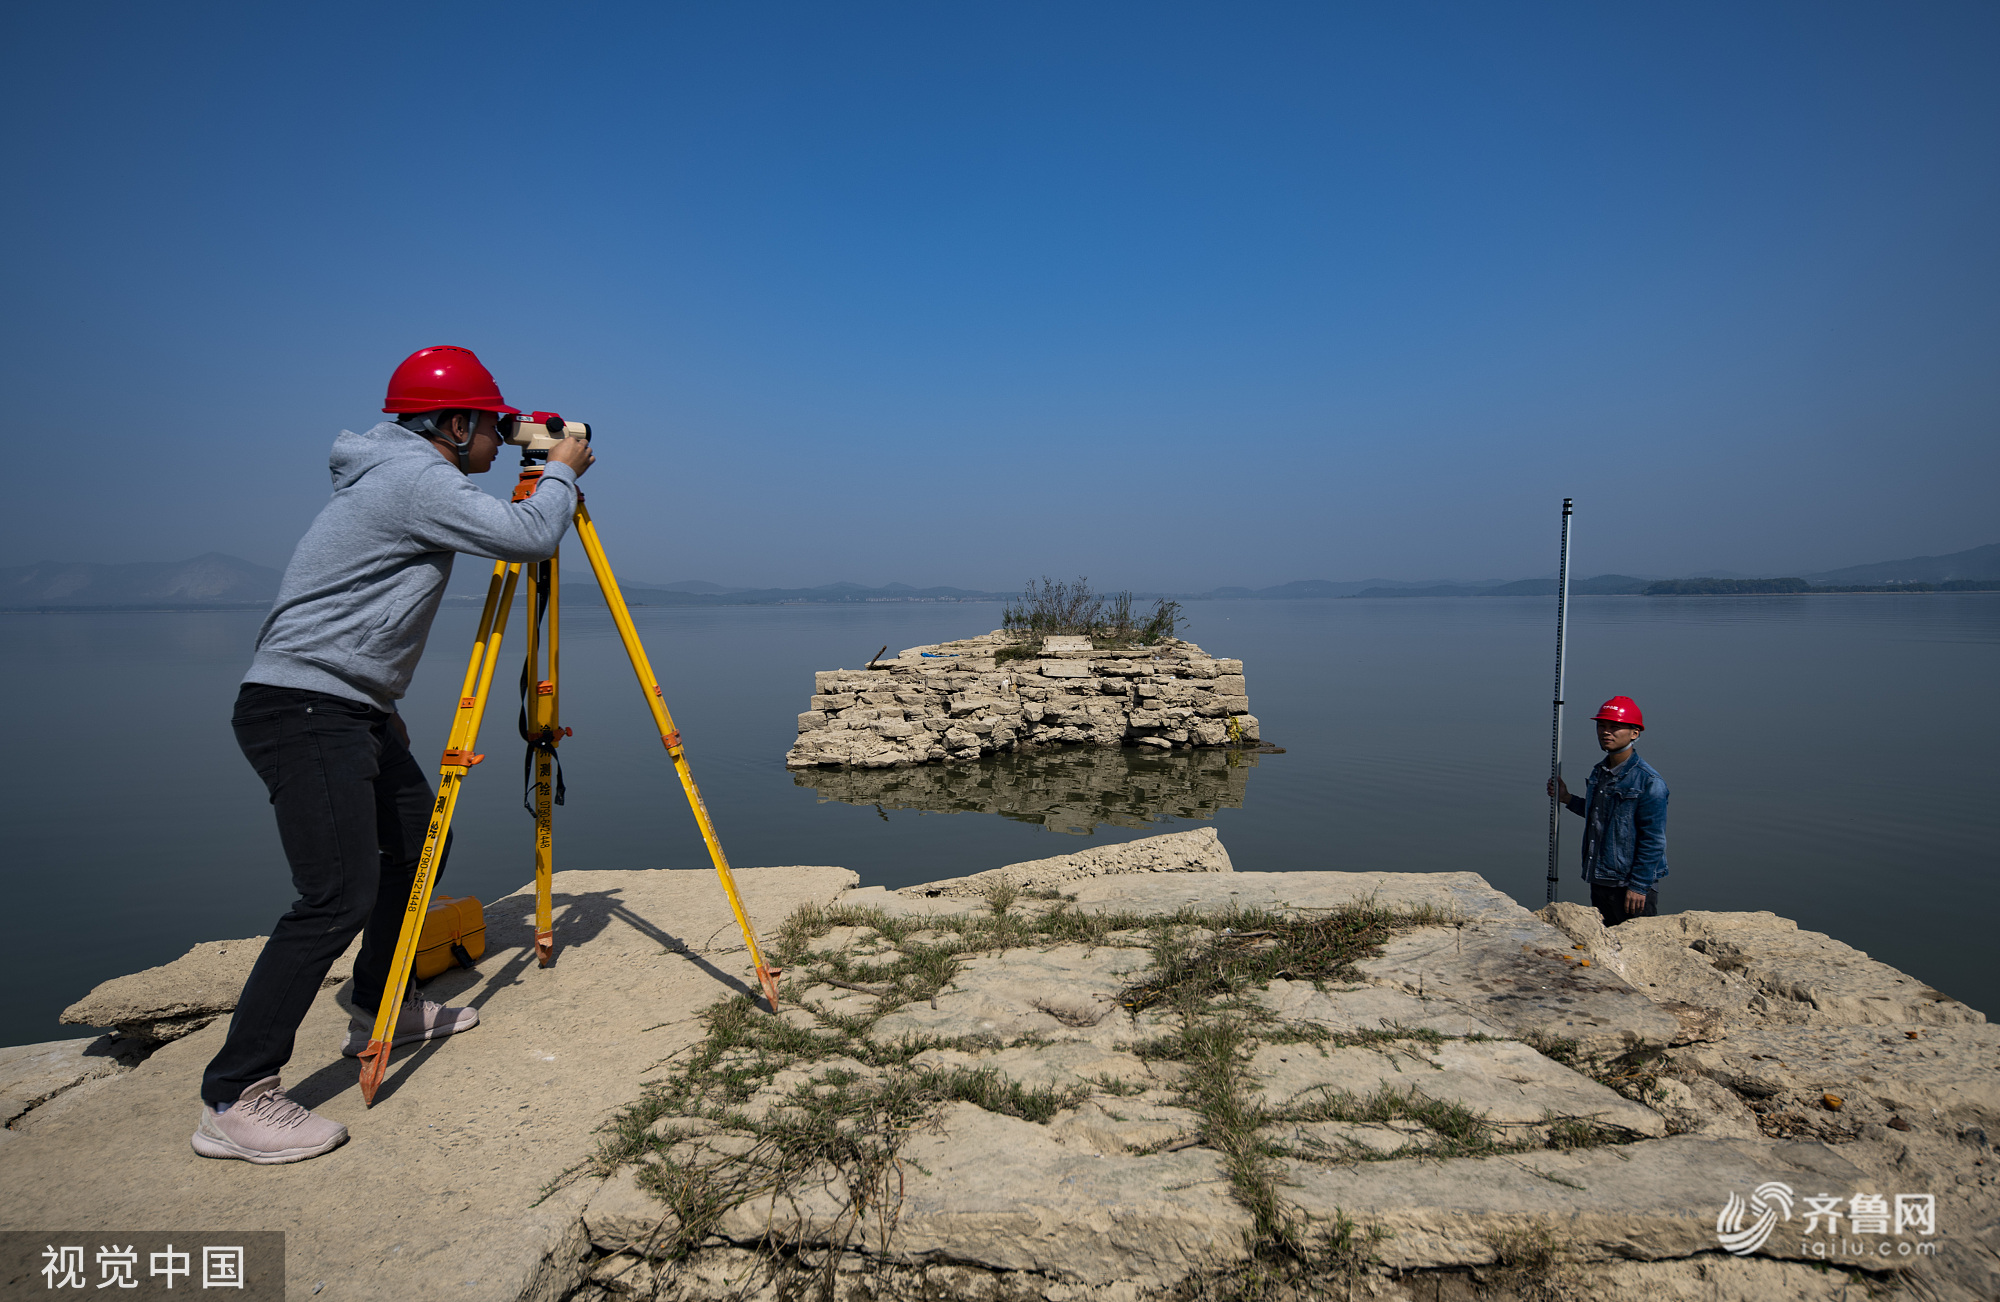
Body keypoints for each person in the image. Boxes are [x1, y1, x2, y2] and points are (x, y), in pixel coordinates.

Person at [191, 346, 595, 1164]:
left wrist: (379, 710)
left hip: (351, 705)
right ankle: (235, 1097)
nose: (499, 438)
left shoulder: (403, 471)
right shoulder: (416, 479)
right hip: (304, 708)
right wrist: (560, 468)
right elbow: (528, 536)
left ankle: (381, 1004)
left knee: (416, 839)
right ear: (452, 425)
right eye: (490, 423)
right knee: (334, 896)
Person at [1549, 696, 1669, 929]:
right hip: (1602, 879)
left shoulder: (1649, 782)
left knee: (1634, 951)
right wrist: (1566, 798)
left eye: (1615, 727)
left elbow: (1653, 840)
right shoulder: (1601, 771)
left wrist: (1639, 886)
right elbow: (1602, 815)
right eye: (1602, 726)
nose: (1606, 732)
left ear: (1634, 733)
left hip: (1630, 887)